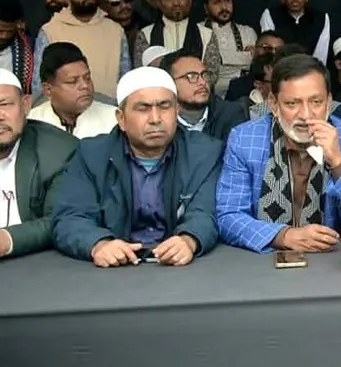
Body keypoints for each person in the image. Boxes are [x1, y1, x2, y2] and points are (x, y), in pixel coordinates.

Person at [52, 67, 222, 267]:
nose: (155, 119)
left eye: (164, 106)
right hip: (114, 270)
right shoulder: (92, 154)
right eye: (143, 108)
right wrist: (98, 243)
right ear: (121, 118)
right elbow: (71, 216)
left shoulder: (204, 153)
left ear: (177, 111)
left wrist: (189, 239)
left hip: (179, 269)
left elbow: (205, 213)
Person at [215, 54, 341, 253]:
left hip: (331, 261)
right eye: (292, 104)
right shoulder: (245, 139)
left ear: (329, 102)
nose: (305, 115)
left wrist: (338, 163)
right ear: (273, 104)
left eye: (316, 102)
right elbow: (229, 216)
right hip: (263, 261)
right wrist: (284, 236)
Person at [0, 68, 79, 259]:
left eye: (4, 104)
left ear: (25, 105)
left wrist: (6, 240)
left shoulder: (60, 151)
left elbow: (60, 218)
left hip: (35, 262)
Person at [157, 49, 250, 143]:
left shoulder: (231, 114)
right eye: (191, 76)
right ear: (169, 83)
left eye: (204, 75)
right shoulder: (157, 118)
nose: (203, 82)